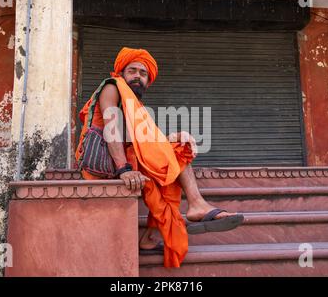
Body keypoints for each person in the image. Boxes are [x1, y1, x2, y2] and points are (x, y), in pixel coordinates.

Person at [76, 47, 244, 268]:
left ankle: (170, 223)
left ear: (148, 80)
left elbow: (145, 140)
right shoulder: (112, 87)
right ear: (121, 73)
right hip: (103, 163)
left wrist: (175, 137)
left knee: (176, 149)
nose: (137, 76)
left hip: (125, 159)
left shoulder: (134, 105)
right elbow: (111, 127)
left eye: (143, 73)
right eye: (132, 70)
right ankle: (194, 205)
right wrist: (124, 170)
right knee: (167, 159)